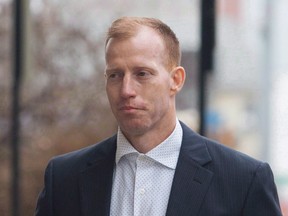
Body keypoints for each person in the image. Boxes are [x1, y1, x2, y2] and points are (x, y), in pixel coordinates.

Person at [35, 17, 282, 216]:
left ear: (176, 80)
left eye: (142, 74)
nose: (126, 90)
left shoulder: (243, 181)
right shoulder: (64, 178)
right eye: (115, 75)